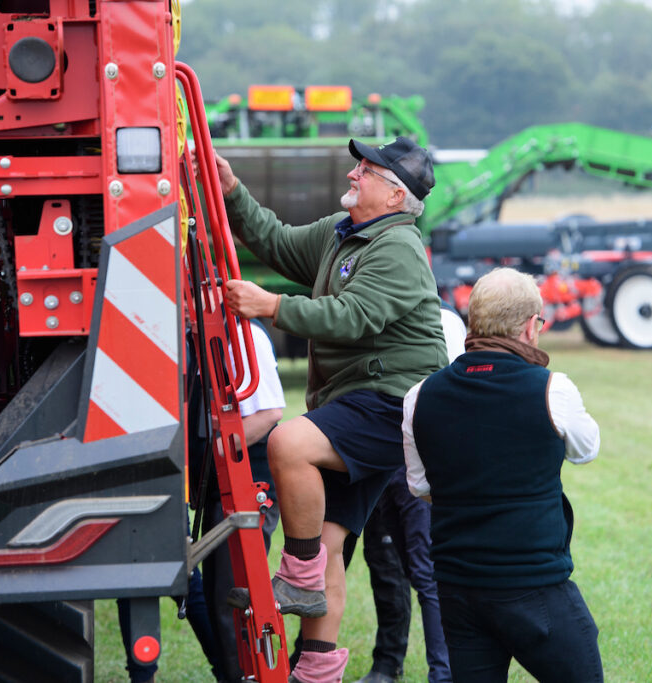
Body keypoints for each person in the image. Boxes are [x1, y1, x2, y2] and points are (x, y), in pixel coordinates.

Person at [214, 135, 447, 682]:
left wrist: (271, 305)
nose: (352, 175)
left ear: (394, 196)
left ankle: (297, 574)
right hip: (358, 400)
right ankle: (317, 669)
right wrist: (232, 192)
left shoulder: (398, 247)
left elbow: (353, 315)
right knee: (331, 541)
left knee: (287, 442)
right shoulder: (343, 234)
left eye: (364, 170)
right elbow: (276, 241)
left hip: (393, 404)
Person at [402, 267, 603, 683]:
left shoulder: (420, 395)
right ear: (531, 326)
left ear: (472, 321)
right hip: (534, 582)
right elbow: (587, 450)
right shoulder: (551, 388)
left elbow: (421, 486)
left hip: (457, 585)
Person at [353, 302, 464, 683]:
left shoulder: (443, 320)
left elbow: (451, 390)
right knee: (382, 560)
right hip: (373, 451)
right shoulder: (367, 309)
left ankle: (444, 673)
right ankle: (387, 663)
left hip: (418, 455)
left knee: (425, 569)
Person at [199, 317, 285, 682]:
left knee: (231, 597)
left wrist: (214, 452)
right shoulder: (210, 335)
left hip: (249, 478)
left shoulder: (244, 336)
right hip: (223, 478)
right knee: (215, 592)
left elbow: (270, 413)